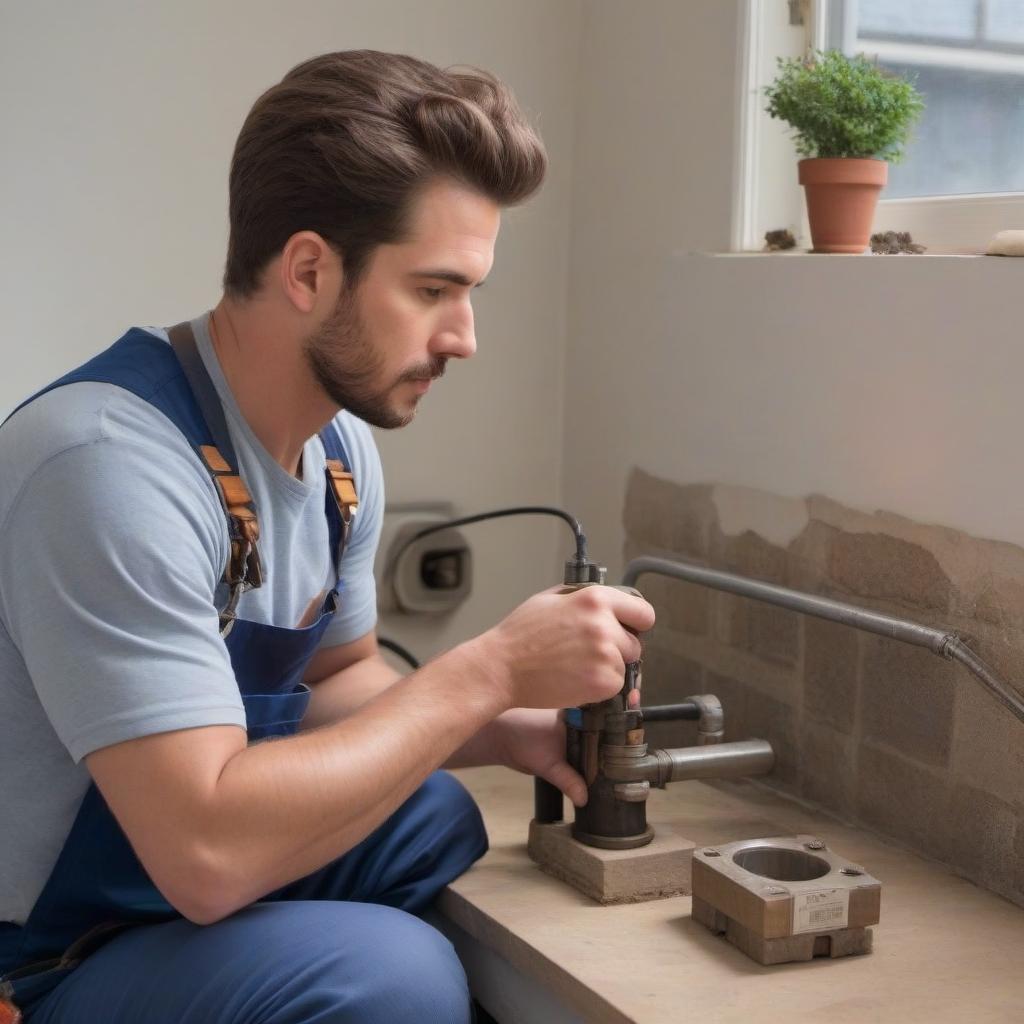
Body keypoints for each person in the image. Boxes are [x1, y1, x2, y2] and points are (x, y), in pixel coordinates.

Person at [0, 50, 654, 1023]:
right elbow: (209, 852)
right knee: (396, 977)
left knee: (432, 817)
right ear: (308, 269)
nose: (464, 335)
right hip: (48, 952)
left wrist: (506, 729)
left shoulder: (339, 450)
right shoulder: (104, 467)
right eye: (433, 291)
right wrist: (488, 670)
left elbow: (333, 684)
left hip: (165, 868)